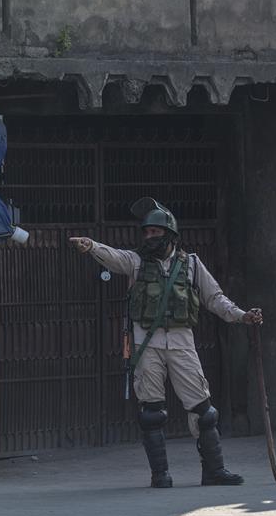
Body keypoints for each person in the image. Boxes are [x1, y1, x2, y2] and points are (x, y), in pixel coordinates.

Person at [69, 198, 263, 488]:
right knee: (152, 413)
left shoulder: (192, 264)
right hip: (146, 345)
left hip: (182, 343)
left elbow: (215, 298)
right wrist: (91, 246)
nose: (150, 237)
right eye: (146, 233)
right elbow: (114, 256)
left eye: (156, 233)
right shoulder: (135, 262)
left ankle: (214, 470)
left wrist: (242, 316)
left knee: (204, 411)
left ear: (170, 235)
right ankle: (160, 475)